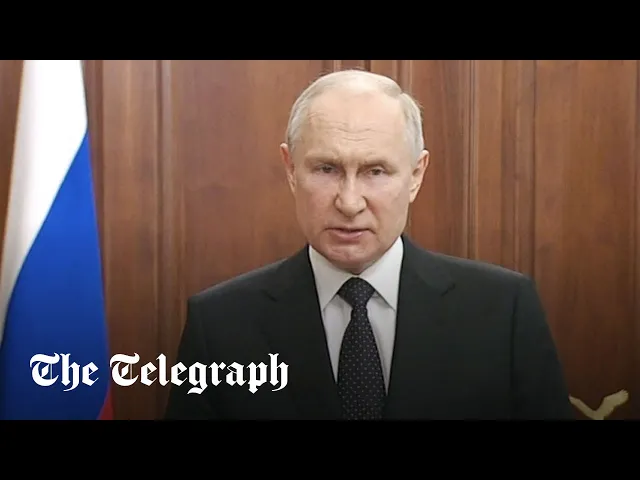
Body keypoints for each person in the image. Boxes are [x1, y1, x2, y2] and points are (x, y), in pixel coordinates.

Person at [164, 69, 574, 420]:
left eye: (376, 171)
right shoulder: (218, 326)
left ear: (416, 175)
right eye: (326, 169)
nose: (349, 202)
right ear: (291, 169)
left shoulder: (504, 311)